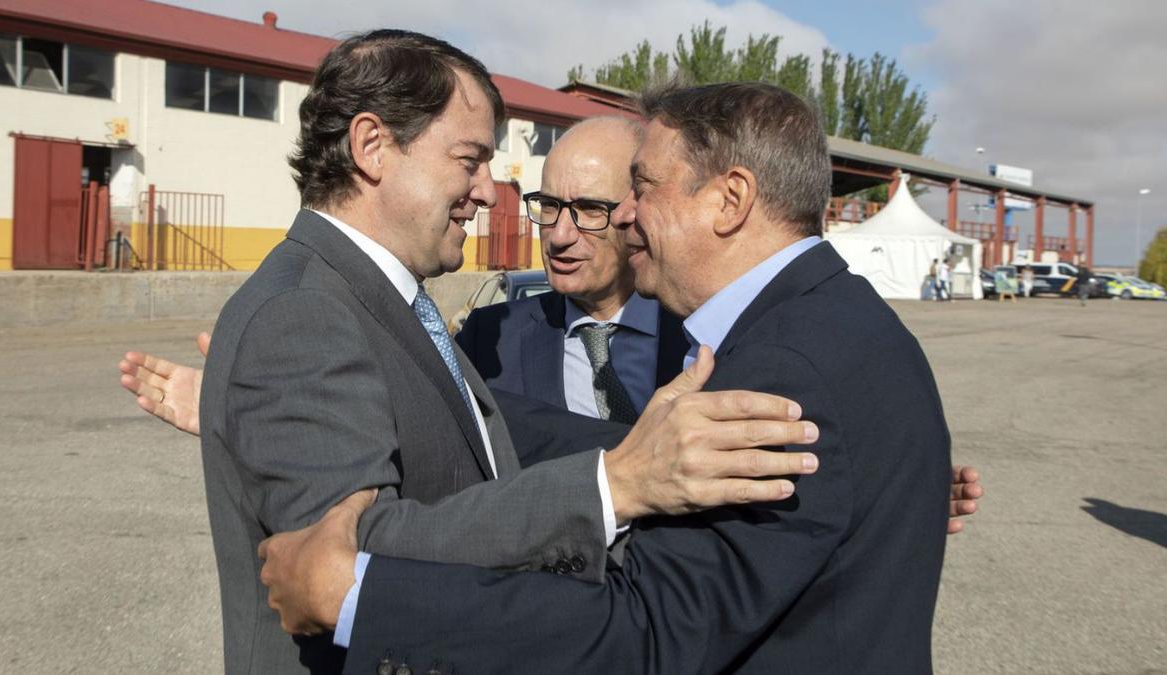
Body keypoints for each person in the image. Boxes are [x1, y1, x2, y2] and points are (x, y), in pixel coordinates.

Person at [172, 30, 820, 675]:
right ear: (372, 146)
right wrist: (616, 482)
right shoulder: (304, 314)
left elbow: (493, 448)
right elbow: (346, 566)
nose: (489, 189)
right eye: (468, 159)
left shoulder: (381, 304)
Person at [258, 82, 958, 674]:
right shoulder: (840, 319)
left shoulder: (785, 369)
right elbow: (618, 445)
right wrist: (378, 402)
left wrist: (355, 594)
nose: (624, 215)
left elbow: (647, 630)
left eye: (643, 188)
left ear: (729, 199)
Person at [455, 117, 689, 425]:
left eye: (590, 209)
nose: (560, 235)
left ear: (635, 213)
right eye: (549, 205)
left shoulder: (700, 333)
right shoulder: (489, 339)